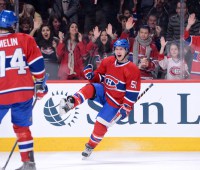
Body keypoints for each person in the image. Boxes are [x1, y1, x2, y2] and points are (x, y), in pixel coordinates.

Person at [59, 39, 141, 158]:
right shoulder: (108, 61)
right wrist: (92, 75)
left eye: (121, 49)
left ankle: (90, 146)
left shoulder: (132, 69)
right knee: (91, 87)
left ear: (127, 51)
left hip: (115, 102)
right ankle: (71, 103)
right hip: (105, 92)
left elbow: (132, 92)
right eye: (117, 49)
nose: (118, 51)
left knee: (100, 123)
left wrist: (127, 107)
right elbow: (99, 77)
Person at [0, 10, 48, 170]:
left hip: (1, 93)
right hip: (23, 92)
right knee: (22, 128)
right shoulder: (25, 39)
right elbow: (38, 65)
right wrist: (40, 84)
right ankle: (29, 163)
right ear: (14, 25)